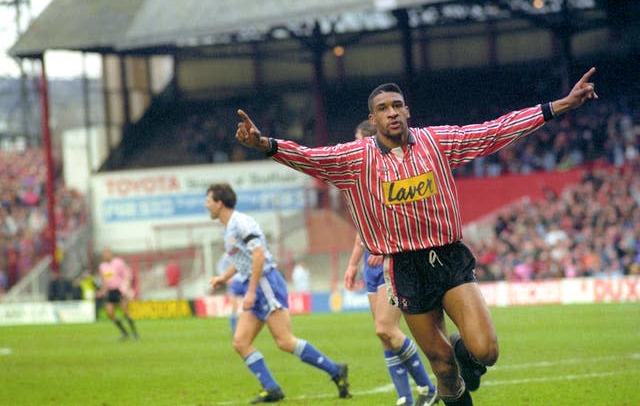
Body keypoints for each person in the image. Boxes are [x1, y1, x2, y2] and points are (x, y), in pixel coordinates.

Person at [234, 68, 598, 406]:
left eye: (397, 105)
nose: (391, 112)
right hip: (405, 268)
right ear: (373, 119)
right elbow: (308, 156)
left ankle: (465, 352)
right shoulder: (353, 160)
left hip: (449, 258)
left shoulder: (436, 142)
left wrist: (559, 105)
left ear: (407, 111)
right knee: (442, 367)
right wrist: (265, 144)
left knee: (486, 351)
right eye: (382, 108)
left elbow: (493, 131)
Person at [206, 183, 351, 404]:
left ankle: (335, 370)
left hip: (266, 283)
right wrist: (223, 278)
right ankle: (272, 388)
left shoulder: (241, 223)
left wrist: (252, 292)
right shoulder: (229, 229)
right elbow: (242, 259)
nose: (206, 205)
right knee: (240, 341)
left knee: (284, 341)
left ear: (219, 202)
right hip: (255, 284)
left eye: (208, 200)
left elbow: (259, 255)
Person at [344, 120, 437, 406]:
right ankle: (404, 398)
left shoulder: (389, 175)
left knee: (385, 328)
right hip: (370, 267)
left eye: (359, 140)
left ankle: (427, 387)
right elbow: (363, 230)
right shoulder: (365, 179)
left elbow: (403, 218)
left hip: (392, 261)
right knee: (384, 336)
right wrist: (352, 265)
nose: (356, 145)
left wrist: (385, 250)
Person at [97, 249, 139, 341]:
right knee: (110, 314)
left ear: (110, 254)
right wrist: (102, 291)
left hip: (119, 290)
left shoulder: (118, 262)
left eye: (107, 253)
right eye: (104, 254)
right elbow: (104, 280)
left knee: (125, 312)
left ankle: (135, 333)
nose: (105, 255)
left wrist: (126, 287)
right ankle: (124, 333)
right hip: (110, 291)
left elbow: (127, 275)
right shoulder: (102, 266)